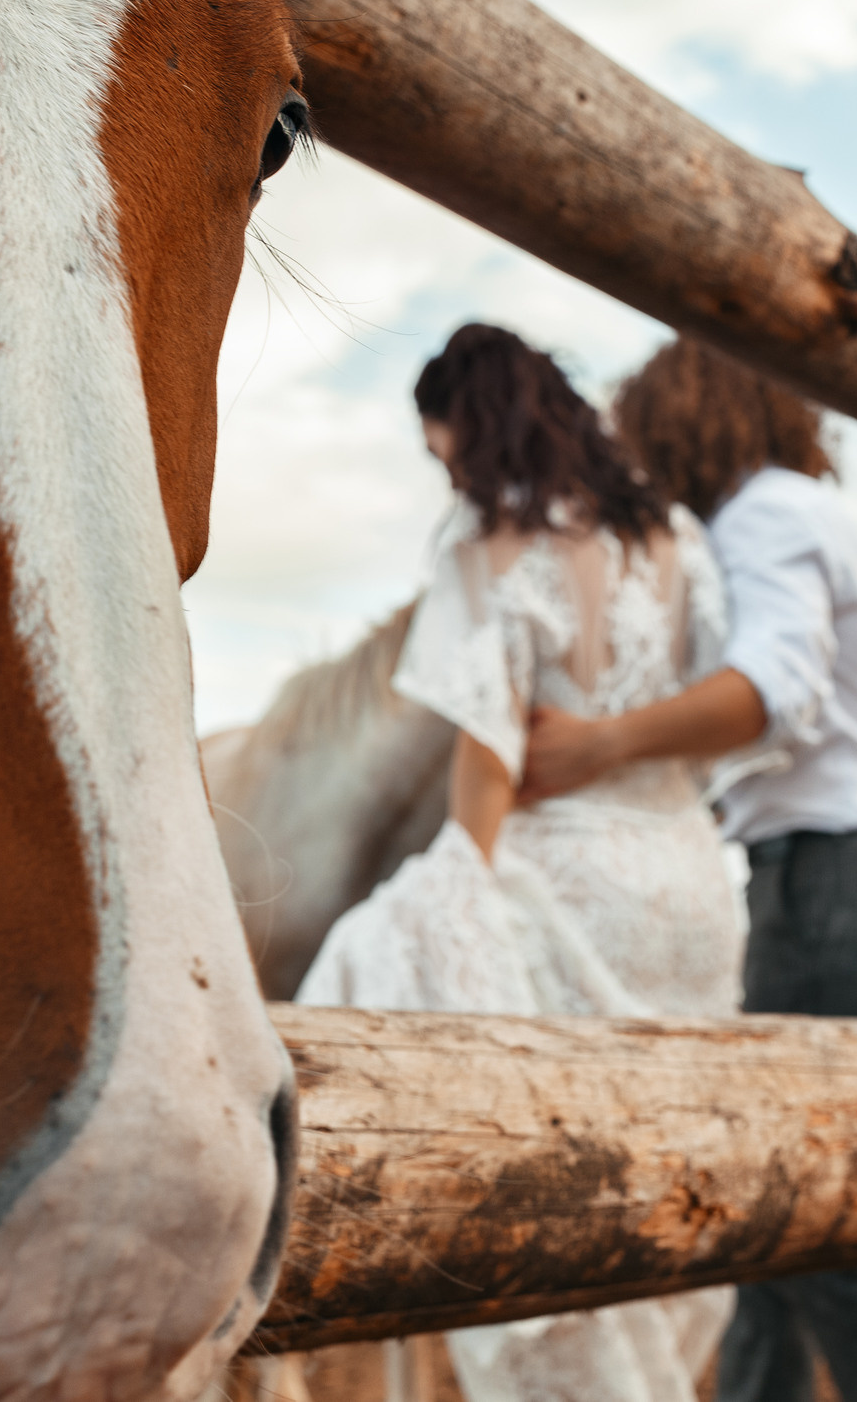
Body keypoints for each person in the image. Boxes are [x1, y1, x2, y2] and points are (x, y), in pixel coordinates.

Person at [299, 323, 743, 1402]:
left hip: (575, 884)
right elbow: (721, 708)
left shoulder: (484, 541)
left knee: (371, 960)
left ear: (472, 428)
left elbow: (489, 745)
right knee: (665, 1170)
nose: (445, 475)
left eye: (441, 450)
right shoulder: (670, 531)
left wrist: (464, 870)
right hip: (692, 890)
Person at [521, 337, 857, 1402]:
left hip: (828, 883)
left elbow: (772, 688)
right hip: (845, 879)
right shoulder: (815, 514)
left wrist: (599, 746)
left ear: (684, 422)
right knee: (774, 1227)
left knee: (821, 1227)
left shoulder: (761, 517)